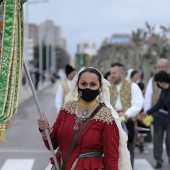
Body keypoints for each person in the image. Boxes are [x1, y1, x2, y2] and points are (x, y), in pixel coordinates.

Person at [37, 67, 132, 170]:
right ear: (77, 85)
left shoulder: (106, 117)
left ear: (100, 87)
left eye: (93, 84)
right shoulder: (67, 108)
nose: (88, 88)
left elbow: (111, 158)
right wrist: (44, 129)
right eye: (84, 84)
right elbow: (52, 144)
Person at [109, 63, 144, 169]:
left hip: (128, 123)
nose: (112, 75)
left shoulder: (133, 86)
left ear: (121, 73)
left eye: (114, 73)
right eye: (111, 73)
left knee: (128, 152)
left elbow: (138, 103)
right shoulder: (109, 87)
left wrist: (126, 113)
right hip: (112, 123)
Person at [144, 58, 169, 169]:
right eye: (158, 67)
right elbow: (149, 96)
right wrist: (147, 112)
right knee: (157, 139)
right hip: (158, 115)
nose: (160, 69)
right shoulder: (154, 80)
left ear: (167, 68)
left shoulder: (166, 83)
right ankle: (158, 160)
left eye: (162, 67)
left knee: (169, 140)